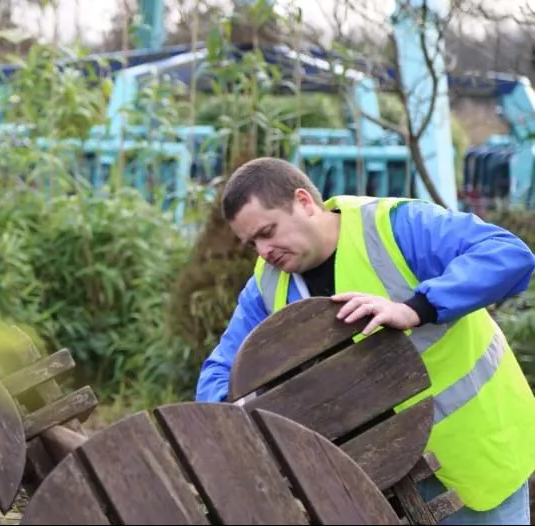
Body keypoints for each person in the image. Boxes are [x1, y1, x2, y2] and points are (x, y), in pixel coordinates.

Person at [195, 157, 535, 525]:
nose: (263, 251)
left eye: (267, 231)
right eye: (252, 244)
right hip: (371, 481)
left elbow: (506, 254)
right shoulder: (267, 286)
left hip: (472, 456)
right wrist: (233, 421)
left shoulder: (394, 228)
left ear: (304, 202)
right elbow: (221, 369)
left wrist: (418, 308)